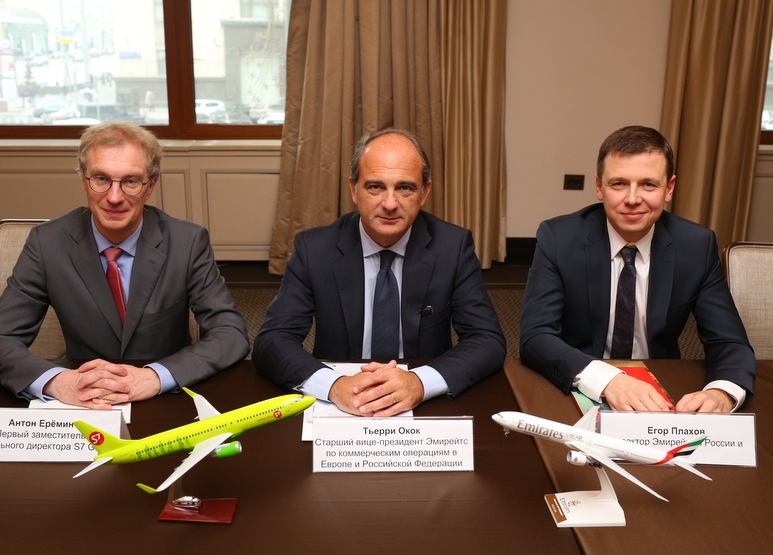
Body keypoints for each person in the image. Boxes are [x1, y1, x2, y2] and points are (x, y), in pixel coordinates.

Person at [0, 122, 249, 409]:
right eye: (101, 178)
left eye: (130, 181)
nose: (114, 197)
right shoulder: (47, 243)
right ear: (84, 182)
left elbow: (230, 334)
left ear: (150, 186)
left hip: (164, 400)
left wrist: (156, 377)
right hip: (81, 400)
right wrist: (58, 381)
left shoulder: (187, 242)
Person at [253, 128, 506, 417]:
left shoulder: (452, 247)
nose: (389, 204)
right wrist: (334, 385)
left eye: (405, 188)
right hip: (342, 401)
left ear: (424, 193)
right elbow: (273, 341)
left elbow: (487, 339)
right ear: (354, 189)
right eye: (375, 187)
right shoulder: (315, 249)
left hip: (423, 401)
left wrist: (420, 382)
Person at [520, 125, 756, 413]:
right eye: (619, 184)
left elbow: (729, 342)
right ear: (599, 187)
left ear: (669, 188)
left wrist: (722, 392)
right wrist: (609, 381)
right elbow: (536, 337)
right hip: (581, 379)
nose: (632, 199)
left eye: (648, 185)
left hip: (662, 385)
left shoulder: (695, 246)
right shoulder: (559, 238)